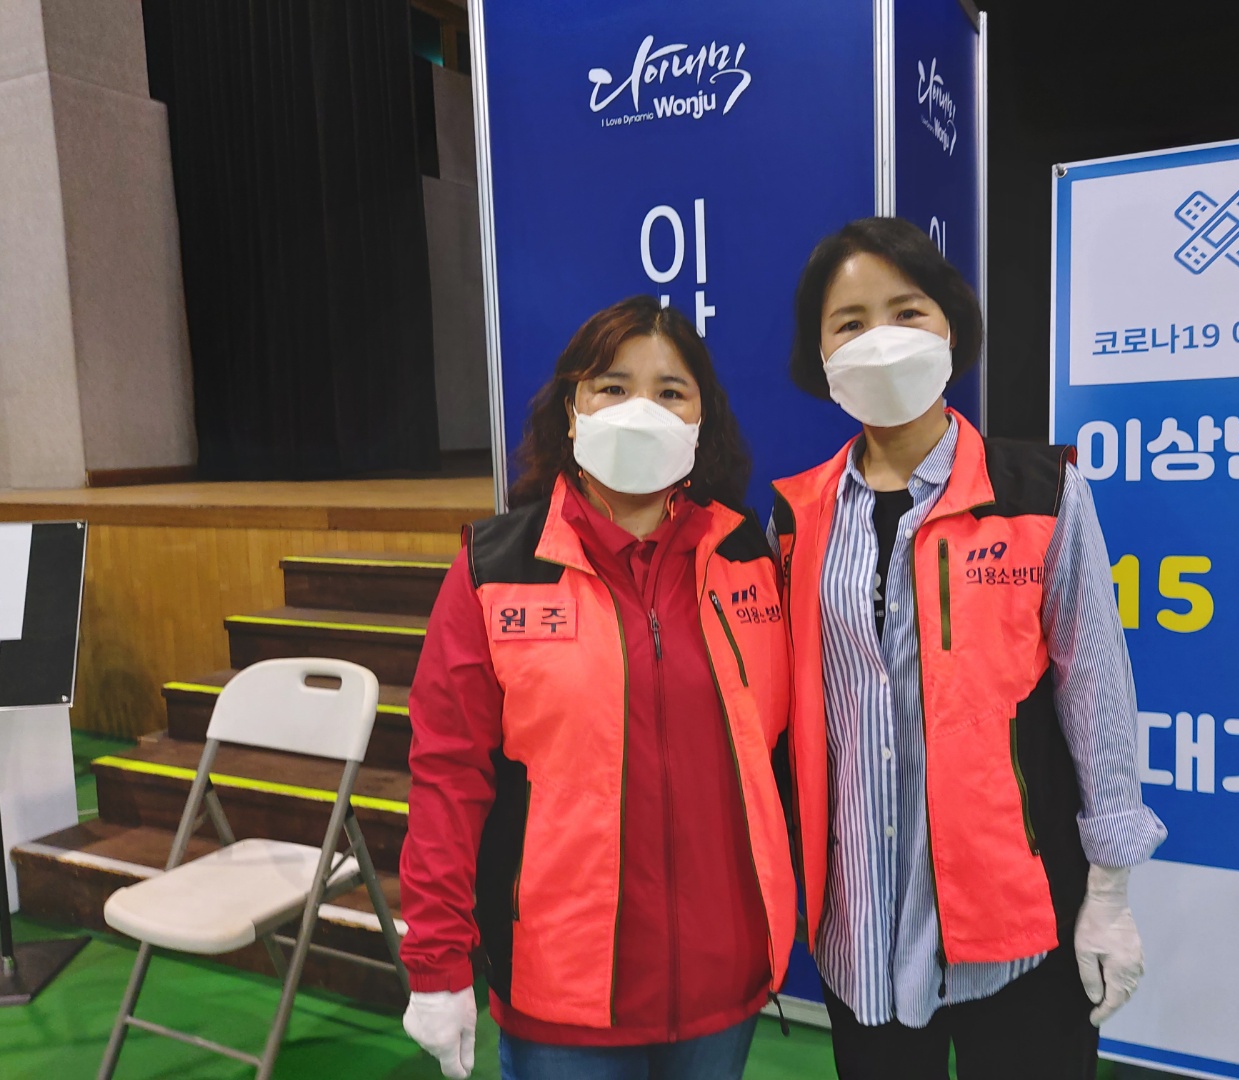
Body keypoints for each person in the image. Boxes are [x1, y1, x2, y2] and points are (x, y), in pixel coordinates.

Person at [771, 218, 1166, 1080]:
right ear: (820, 354)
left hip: (1019, 922)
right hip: (862, 930)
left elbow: (1096, 690)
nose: (880, 339)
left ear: (950, 325)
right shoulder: (795, 519)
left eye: (906, 311)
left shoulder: (1040, 494)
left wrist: (1109, 889)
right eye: (850, 323)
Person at [399, 296, 795, 1080]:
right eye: (613, 387)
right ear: (571, 411)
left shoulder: (751, 558)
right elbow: (448, 775)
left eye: (671, 391)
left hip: (722, 977)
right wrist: (437, 958)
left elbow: (789, 752)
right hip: (562, 991)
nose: (641, 409)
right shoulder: (494, 570)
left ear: (702, 422)